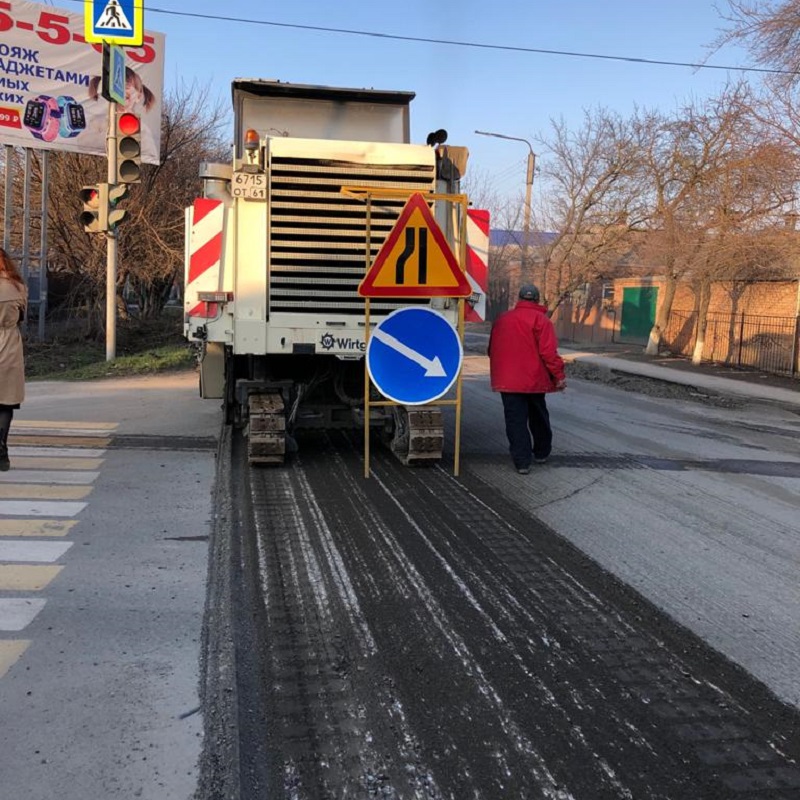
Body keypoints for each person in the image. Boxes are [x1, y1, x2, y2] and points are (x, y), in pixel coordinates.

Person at [488, 284, 566, 474]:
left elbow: (491, 349)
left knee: (515, 421)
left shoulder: (502, 319)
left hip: (508, 382)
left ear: (519, 300)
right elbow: (549, 353)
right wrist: (559, 376)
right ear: (537, 300)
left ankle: (522, 462)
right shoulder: (541, 320)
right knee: (538, 416)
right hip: (534, 380)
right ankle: (541, 452)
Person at [0, 249, 27, 471]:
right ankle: (2, 449)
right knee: (6, 401)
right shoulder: (18, 288)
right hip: (9, 344)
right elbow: (23, 318)